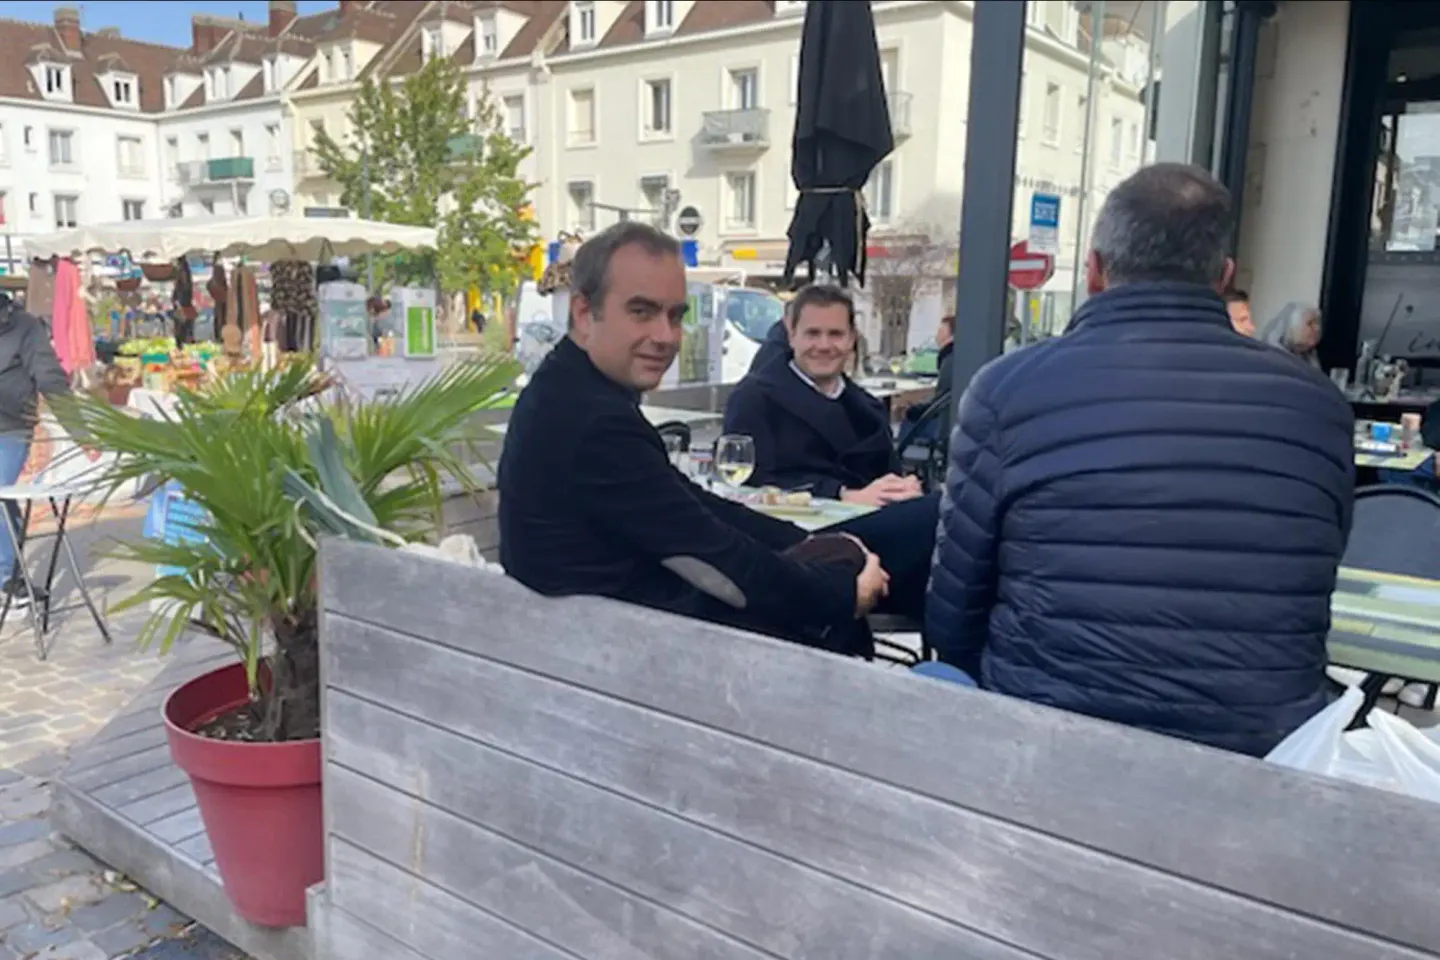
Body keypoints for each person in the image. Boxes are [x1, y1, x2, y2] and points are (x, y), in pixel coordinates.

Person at [927, 163, 1354, 757]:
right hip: (1259, 756)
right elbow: (1312, 576)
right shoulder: (1320, 407)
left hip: (1051, 743)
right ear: (1224, 277)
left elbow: (956, 606)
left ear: (1094, 271)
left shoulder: (1008, 390)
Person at [499, 222, 890, 657]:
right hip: (640, 672)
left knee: (846, 553)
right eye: (641, 312)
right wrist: (841, 594)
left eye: (675, 315)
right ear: (584, 314)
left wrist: (803, 541)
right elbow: (717, 564)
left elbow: (693, 505)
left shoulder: (570, 392)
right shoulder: (591, 422)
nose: (666, 336)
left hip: (604, 648)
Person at [723, 284, 921, 507]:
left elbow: (888, 474)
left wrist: (903, 488)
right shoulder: (753, 398)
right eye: (813, 333)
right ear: (792, 336)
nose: (824, 345)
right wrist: (842, 495)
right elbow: (752, 484)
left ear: (851, 339)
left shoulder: (870, 408)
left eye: (835, 334)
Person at [0, 298, 72, 606]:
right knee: (5, 500)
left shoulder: (25, 326)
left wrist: (80, 430)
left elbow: (51, 379)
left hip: (12, 427)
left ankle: (7, 577)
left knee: (1, 494)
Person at [1259, 301, 1323, 366]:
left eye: (1317, 323)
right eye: (1310, 323)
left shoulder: (1311, 358)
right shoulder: (1271, 356)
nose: (1317, 328)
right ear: (1292, 327)